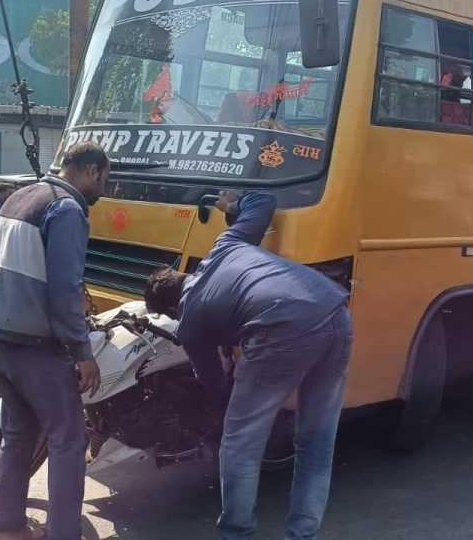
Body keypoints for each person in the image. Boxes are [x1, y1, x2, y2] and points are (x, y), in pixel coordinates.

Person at [143, 191, 353, 540]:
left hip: (282, 332)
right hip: (335, 313)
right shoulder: (225, 246)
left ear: (169, 311)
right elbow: (263, 202)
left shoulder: (189, 323)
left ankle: (236, 534)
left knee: (240, 442)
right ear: (181, 275)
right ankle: (302, 534)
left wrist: (225, 364)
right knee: (316, 442)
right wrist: (229, 207)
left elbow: (214, 383)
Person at [0, 142, 110, 540]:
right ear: (91, 170)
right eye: (105, 180)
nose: (103, 190)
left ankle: (8, 528)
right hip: (34, 343)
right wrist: (83, 353)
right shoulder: (66, 209)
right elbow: (65, 289)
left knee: (17, 435)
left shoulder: (20, 198)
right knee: (69, 439)